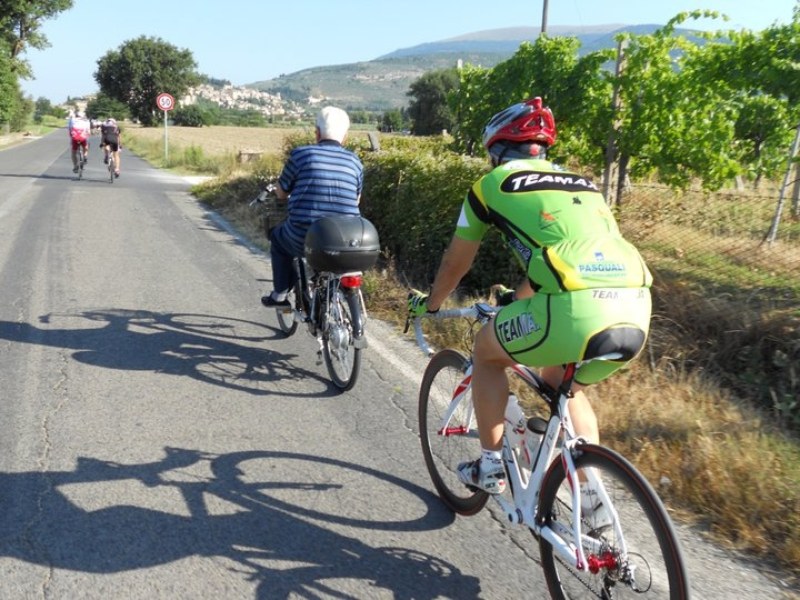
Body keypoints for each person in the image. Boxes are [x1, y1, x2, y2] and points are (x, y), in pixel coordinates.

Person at [407, 97, 653, 503]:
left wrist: (431, 304)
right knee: (562, 385)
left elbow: (456, 262)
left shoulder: (491, 184)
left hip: (570, 309)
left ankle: (489, 465)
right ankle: (592, 498)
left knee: (487, 352)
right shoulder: (584, 183)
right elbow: (565, 260)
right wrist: (516, 298)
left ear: (497, 150)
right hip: (634, 307)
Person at [261, 106, 363, 307]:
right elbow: (356, 200)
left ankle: (280, 294)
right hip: (349, 239)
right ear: (345, 137)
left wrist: (282, 192)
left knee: (278, 239)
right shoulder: (355, 162)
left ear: (317, 133)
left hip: (304, 236)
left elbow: (282, 193)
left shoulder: (301, 155)